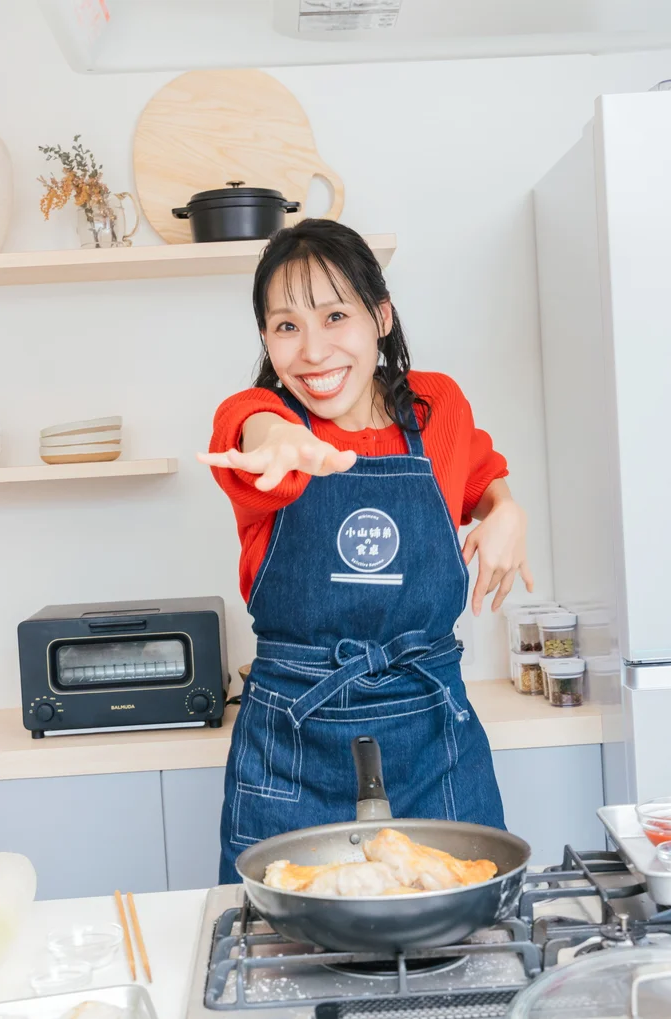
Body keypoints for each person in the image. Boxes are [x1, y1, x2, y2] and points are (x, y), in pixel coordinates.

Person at [199, 219, 532, 884]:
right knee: (279, 954)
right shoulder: (261, 419)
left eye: (335, 316)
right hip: (293, 745)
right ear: (266, 338)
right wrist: (282, 440)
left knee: (463, 940)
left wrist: (506, 508)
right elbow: (254, 427)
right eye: (286, 326)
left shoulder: (438, 407)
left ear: (380, 316)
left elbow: (480, 472)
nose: (313, 351)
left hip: (433, 733)